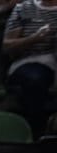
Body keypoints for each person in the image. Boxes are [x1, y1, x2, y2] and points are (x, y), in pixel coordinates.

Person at [5, 0, 57, 132]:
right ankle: (38, 135)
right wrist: (34, 38)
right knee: (35, 80)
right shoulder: (24, 8)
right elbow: (7, 47)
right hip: (31, 61)